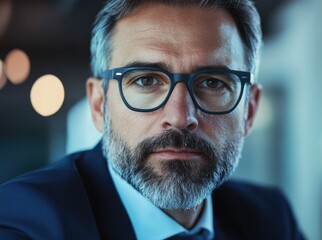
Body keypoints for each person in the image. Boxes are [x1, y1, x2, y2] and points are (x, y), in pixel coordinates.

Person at [0, 0, 305, 239]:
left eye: (213, 83)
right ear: (98, 104)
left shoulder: (269, 219)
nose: (180, 117)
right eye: (146, 80)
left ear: (249, 111)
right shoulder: (27, 220)